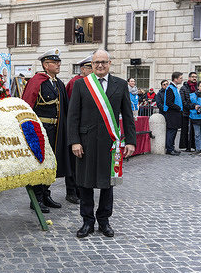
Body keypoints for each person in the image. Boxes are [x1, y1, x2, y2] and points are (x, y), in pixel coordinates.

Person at [67, 49, 136, 238]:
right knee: (85, 183)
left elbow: (128, 115)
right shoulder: (82, 85)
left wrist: (130, 141)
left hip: (109, 143)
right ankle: (87, 222)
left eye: (103, 62)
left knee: (107, 184)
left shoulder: (120, 85)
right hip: (86, 143)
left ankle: (104, 221)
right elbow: (73, 116)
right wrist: (74, 141)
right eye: (96, 62)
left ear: (109, 63)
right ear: (91, 64)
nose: (99, 65)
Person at [22, 48, 71, 213]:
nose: (58, 65)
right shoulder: (37, 81)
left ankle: (46, 193)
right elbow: (27, 105)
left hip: (57, 129)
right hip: (42, 130)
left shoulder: (58, 83)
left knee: (53, 162)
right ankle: (36, 198)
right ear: (45, 64)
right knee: (41, 162)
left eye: (59, 62)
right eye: (55, 62)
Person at [64, 55, 94, 205]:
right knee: (73, 162)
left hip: (88, 129)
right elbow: (72, 110)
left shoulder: (91, 82)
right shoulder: (75, 83)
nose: (93, 70)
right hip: (76, 128)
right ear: (83, 69)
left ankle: (80, 189)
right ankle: (71, 191)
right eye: (90, 67)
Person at [164, 72, 184, 156]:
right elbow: (169, 102)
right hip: (172, 113)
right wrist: (178, 108)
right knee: (171, 131)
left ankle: (171, 147)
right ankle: (169, 149)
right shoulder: (170, 88)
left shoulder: (174, 88)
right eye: (180, 78)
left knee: (174, 130)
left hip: (175, 113)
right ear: (175, 79)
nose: (182, 79)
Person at [179, 72, 198, 151]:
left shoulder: (197, 87)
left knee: (195, 130)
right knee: (186, 129)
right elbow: (183, 101)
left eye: (195, 77)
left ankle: (194, 145)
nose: (194, 78)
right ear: (189, 78)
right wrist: (191, 106)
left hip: (196, 112)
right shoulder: (183, 88)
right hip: (186, 112)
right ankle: (187, 146)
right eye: (193, 77)